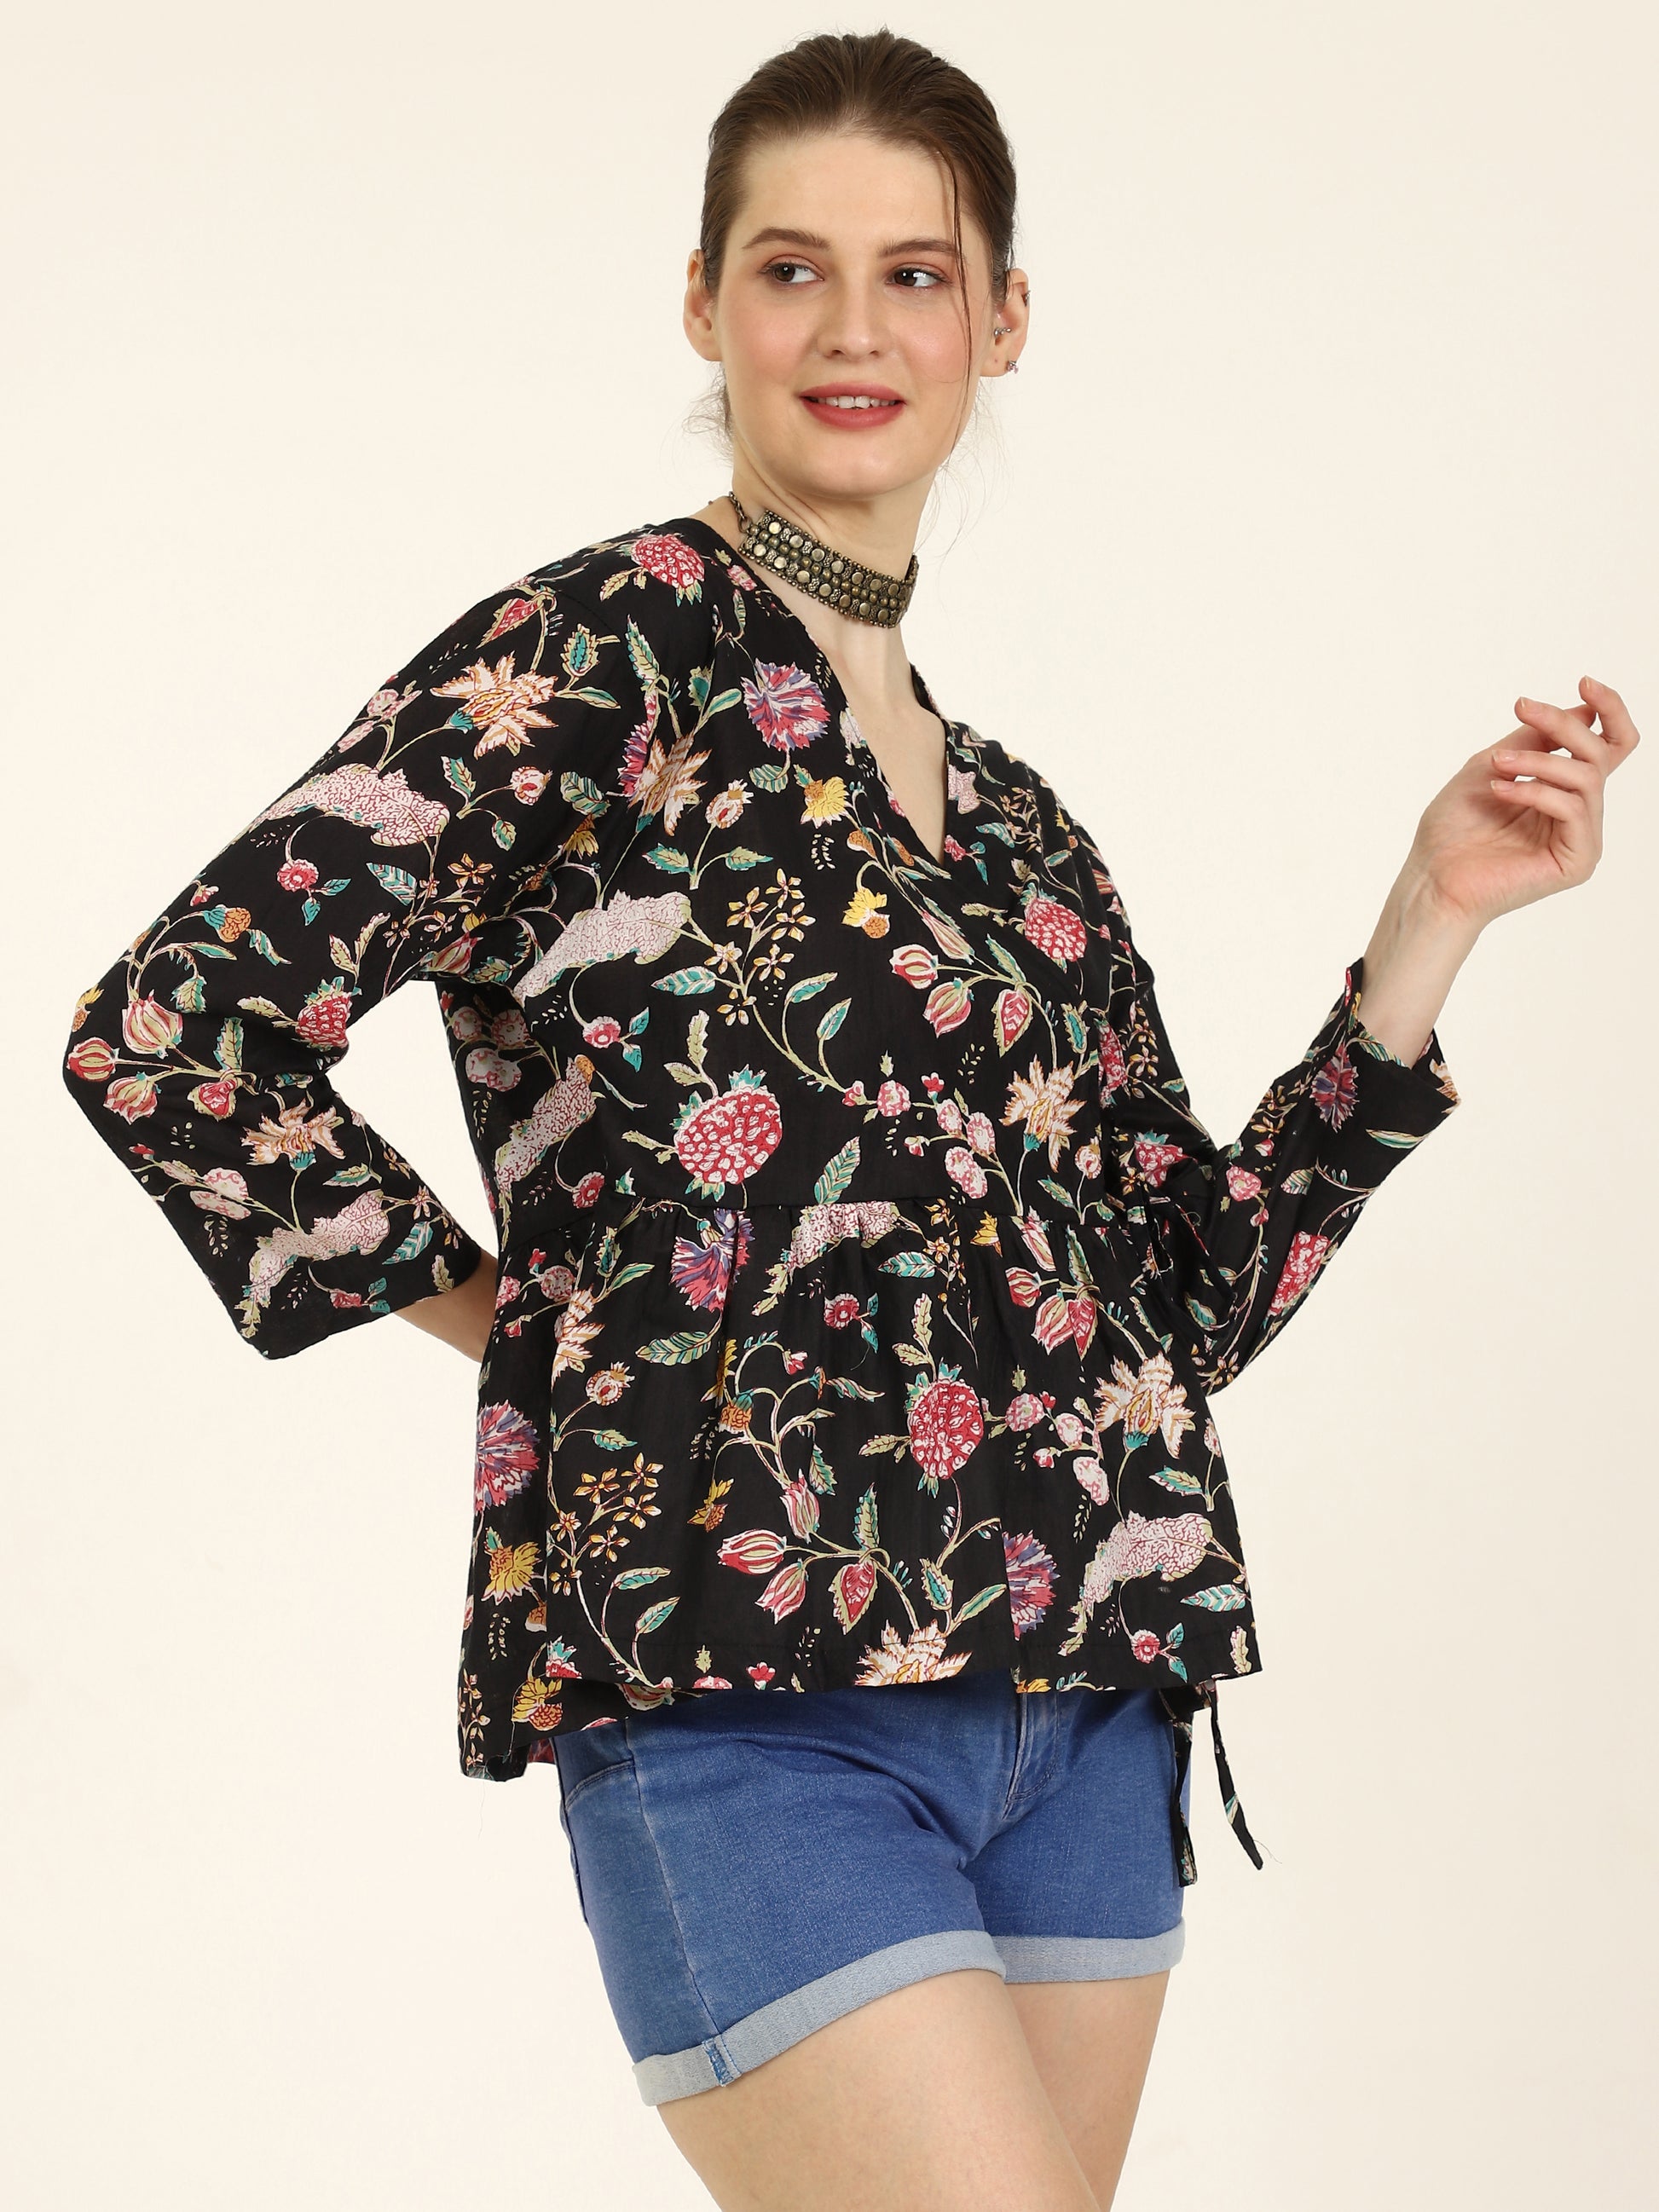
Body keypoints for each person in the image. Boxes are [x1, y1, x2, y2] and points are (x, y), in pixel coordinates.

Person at [61, 28, 1638, 2212]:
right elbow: (172, 1033)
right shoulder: (601, 656)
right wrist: (531, 1328)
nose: (852, 329)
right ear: (702, 302)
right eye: (791, 268)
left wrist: (1429, 919)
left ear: (1002, 318)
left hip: (1087, 1691)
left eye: (916, 275)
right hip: (748, 1698)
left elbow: (1175, 1301)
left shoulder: (1018, 829)